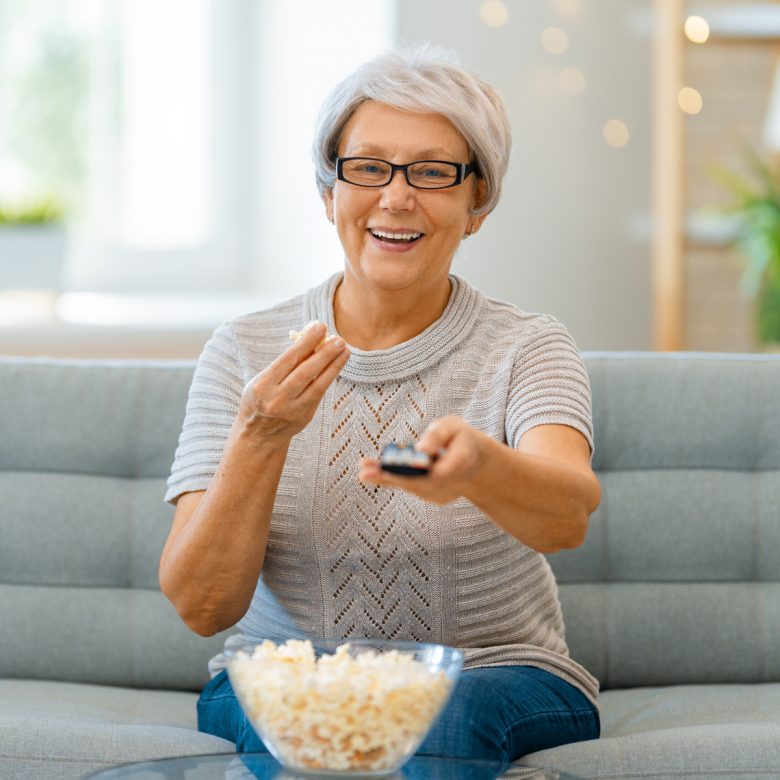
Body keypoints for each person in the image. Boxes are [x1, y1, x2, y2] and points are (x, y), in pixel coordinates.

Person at [160, 45, 601, 768]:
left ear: (476, 204)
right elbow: (201, 607)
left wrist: (478, 469)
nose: (396, 198)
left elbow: (568, 515)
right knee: (312, 730)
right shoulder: (246, 351)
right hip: (294, 673)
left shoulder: (529, 346)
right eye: (368, 168)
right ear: (330, 191)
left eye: (433, 172)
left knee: (429, 720)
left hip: (493, 673)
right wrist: (260, 435)